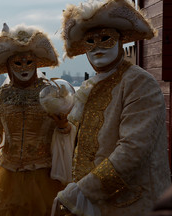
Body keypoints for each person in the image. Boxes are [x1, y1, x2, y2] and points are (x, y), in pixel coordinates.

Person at [51, 0, 171, 215]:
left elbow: (133, 151)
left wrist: (81, 192)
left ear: (121, 40)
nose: (97, 47)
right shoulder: (92, 86)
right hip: (95, 205)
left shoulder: (139, 83)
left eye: (105, 38)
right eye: (90, 41)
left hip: (131, 204)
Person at [0, 23, 73, 216]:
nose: (24, 68)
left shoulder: (50, 94)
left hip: (45, 174)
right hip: (6, 175)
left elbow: (65, 129)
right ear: (8, 66)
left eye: (29, 62)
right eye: (18, 63)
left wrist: (63, 125)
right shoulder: (0, 97)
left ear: (37, 64)